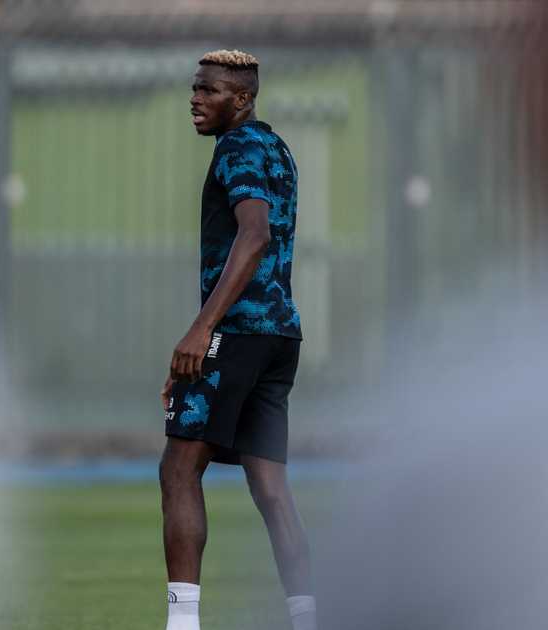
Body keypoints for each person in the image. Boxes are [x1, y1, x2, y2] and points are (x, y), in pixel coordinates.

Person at [159, 50, 315, 630]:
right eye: (194, 88)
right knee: (271, 487)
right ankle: (307, 617)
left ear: (242, 99)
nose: (196, 99)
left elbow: (253, 236)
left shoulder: (239, 148)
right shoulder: (279, 148)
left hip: (239, 332)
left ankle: (182, 624)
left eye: (209, 90)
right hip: (280, 334)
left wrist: (202, 329)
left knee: (178, 469)